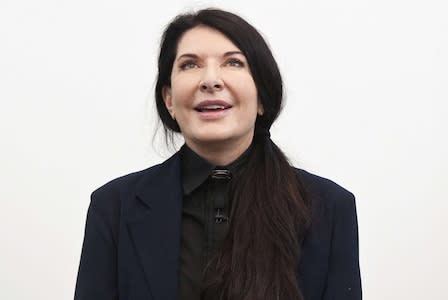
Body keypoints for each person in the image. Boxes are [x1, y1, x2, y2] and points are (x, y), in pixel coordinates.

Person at [74, 8, 362, 300]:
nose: (210, 80)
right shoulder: (113, 207)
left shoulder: (330, 208)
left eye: (233, 62)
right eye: (190, 65)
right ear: (169, 100)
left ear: (262, 96)